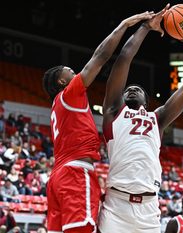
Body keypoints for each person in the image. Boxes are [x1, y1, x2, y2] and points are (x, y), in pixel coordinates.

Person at [42, 11, 155, 233]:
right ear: (62, 81)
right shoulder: (69, 94)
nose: (76, 75)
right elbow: (100, 57)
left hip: (58, 177)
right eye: (71, 73)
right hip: (74, 173)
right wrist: (123, 25)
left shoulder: (58, 107)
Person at [98, 4, 183, 232]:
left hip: (149, 208)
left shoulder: (158, 119)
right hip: (117, 207)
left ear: (147, 101)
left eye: (138, 89)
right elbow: (124, 58)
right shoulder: (114, 112)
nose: (132, 89)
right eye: (128, 90)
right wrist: (146, 26)